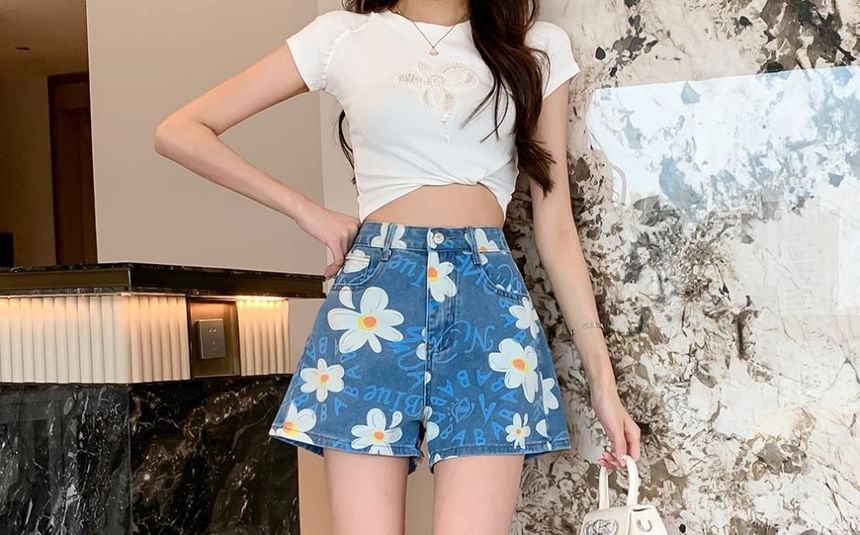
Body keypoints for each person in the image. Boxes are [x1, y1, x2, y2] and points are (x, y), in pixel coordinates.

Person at [154, 1, 641, 533]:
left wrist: (603, 383)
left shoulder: (535, 47)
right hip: (374, 304)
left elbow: (557, 230)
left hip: (488, 311)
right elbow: (181, 130)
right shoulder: (341, 37)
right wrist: (306, 210)